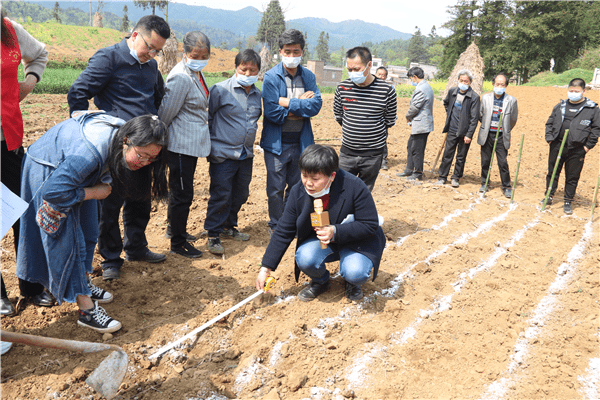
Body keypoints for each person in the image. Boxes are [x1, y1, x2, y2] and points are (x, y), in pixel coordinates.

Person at [17, 112, 169, 333]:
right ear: (127, 141)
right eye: (142, 155)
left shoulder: (120, 133)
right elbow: (53, 192)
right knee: (70, 240)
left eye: (151, 159)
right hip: (49, 171)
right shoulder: (89, 155)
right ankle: (86, 311)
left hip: (74, 173)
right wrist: (89, 192)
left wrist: (91, 191)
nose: (145, 163)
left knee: (89, 230)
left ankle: (84, 283)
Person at [68, 15, 171, 280]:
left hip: (144, 145)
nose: (153, 53)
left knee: (139, 200)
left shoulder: (151, 67)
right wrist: (85, 130)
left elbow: (157, 97)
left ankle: (136, 247)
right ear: (135, 35)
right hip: (116, 147)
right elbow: (78, 93)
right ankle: (111, 257)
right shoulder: (109, 59)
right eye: (150, 47)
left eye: (158, 50)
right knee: (109, 204)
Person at [256, 144, 385, 302]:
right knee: (305, 257)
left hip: (356, 241)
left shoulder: (355, 186)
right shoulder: (298, 192)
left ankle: (351, 283)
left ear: (332, 176)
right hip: (325, 242)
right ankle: (321, 281)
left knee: (355, 272)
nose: (308, 183)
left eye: (315, 179)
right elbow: (284, 230)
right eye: (304, 175)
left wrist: (336, 231)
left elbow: (369, 224)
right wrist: (265, 268)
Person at [1, 9, 54, 318]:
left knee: (21, 210)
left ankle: (31, 285)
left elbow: (40, 54)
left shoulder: (9, 29)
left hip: (7, 138)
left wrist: (30, 81)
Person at [260, 29, 322, 235]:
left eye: (296, 51)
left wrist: (286, 103)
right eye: (288, 51)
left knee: (297, 186)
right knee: (276, 188)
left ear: (302, 52)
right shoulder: (270, 77)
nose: (292, 55)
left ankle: (289, 220)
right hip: (276, 144)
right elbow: (271, 113)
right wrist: (299, 106)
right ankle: (276, 225)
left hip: (301, 143)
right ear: (280, 51)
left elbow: (315, 107)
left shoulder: (309, 76)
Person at [158, 31, 212, 258]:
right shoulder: (181, 76)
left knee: (182, 192)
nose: (199, 58)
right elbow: (165, 114)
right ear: (184, 52)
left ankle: (174, 229)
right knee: (182, 194)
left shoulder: (196, 72)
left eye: (204, 55)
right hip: (180, 145)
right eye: (195, 54)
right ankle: (178, 243)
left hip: (190, 145)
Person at [205, 49, 262, 255]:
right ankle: (213, 233)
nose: (247, 73)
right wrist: (210, 147)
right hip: (223, 153)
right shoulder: (220, 90)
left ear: (258, 71)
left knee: (241, 193)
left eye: (252, 70)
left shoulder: (257, 94)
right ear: (235, 68)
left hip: (245, 154)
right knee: (221, 193)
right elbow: (210, 118)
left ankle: (229, 226)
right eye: (243, 69)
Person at [333, 46, 397, 191]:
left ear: (369, 65)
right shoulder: (343, 88)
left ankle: (359, 214)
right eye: (350, 70)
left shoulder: (386, 91)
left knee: (364, 192)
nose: (353, 73)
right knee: (340, 190)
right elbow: (339, 115)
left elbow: (390, 120)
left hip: (372, 155)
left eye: (357, 69)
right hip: (347, 153)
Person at [544, 78, 599, 215]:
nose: (573, 93)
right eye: (571, 91)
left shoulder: (592, 109)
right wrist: (550, 139)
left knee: (572, 176)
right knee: (553, 172)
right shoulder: (560, 106)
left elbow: (597, 129)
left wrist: (587, 147)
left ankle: (568, 200)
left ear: (583, 91)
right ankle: (549, 195)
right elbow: (549, 123)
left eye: (576, 91)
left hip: (577, 149)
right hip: (557, 145)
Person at [436, 69, 481, 188]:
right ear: (458, 80)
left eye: (466, 81)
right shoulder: (452, 92)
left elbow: (474, 118)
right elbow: (446, 103)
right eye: (461, 80)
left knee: (461, 156)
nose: (463, 83)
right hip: (452, 129)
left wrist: (469, 134)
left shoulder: (474, 97)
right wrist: (449, 114)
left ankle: (456, 177)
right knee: (447, 154)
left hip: (464, 132)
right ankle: (442, 176)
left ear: (470, 82)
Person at [477, 72, 519, 198]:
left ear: (506, 85)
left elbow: (513, 119)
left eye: (502, 84)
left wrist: (504, 129)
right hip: (487, 134)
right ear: (493, 84)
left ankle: (506, 186)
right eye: (497, 84)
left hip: (501, 135)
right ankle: (485, 182)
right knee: (485, 161)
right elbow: (480, 114)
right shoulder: (485, 98)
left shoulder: (511, 100)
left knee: (502, 162)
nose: (499, 86)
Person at [397, 66, 434, 181]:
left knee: (417, 149)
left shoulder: (421, 89)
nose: (411, 81)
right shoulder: (425, 87)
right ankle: (409, 169)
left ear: (415, 77)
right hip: (421, 124)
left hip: (421, 124)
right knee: (411, 146)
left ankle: (417, 173)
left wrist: (407, 116)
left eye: (411, 78)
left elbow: (415, 107)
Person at [375, 67, 390, 171]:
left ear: (385, 77)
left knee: (382, 140)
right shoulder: (369, 87)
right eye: (379, 74)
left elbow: (391, 108)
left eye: (383, 75)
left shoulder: (388, 90)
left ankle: (383, 161)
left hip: (382, 120)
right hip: (370, 120)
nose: (381, 76)